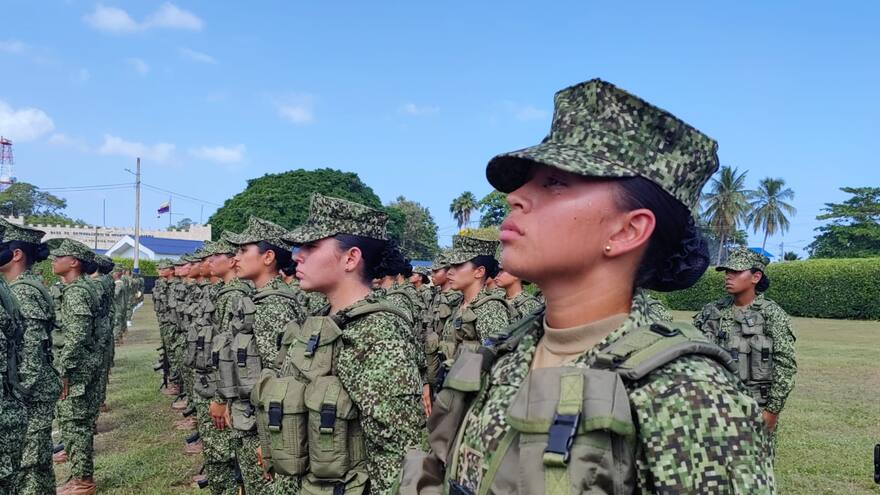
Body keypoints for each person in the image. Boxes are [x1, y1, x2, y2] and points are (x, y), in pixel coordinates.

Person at [397, 78, 774, 494]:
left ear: (629, 230)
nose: (515, 197)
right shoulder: (507, 352)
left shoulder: (691, 396)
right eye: (527, 181)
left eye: (556, 183)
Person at [252, 193, 426, 495]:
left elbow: (397, 449)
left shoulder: (376, 330)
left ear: (350, 258)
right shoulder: (322, 320)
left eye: (312, 246)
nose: (296, 256)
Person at [224, 217, 307, 495]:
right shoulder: (260, 299)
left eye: (243, 251)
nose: (235, 259)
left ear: (268, 256)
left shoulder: (274, 305)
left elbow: (282, 379)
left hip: (264, 427)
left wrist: (270, 439)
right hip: (251, 418)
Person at [694, 247, 797, 453]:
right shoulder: (712, 311)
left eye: (736, 271)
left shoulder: (771, 315)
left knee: (753, 471)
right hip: (711, 405)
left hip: (753, 408)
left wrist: (772, 410)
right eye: (727, 272)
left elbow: (785, 365)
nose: (728, 276)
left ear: (756, 277)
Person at [0, 220, 49, 495]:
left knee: (31, 466)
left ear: (16, 254)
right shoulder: (13, 288)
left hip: (25, 392)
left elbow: (29, 349)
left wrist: (21, 394)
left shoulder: (22, 291)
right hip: (20, 393)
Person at [50, 239, 101, 495]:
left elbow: (77, 335)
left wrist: (64, 369)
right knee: (72, 422)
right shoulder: (76, 288)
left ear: (74, 262)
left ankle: (83, 480)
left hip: (76, 368)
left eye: (60, 257)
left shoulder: (77, 291)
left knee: (74, 423)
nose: (54, 261)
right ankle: (78, 475)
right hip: (79, 365)